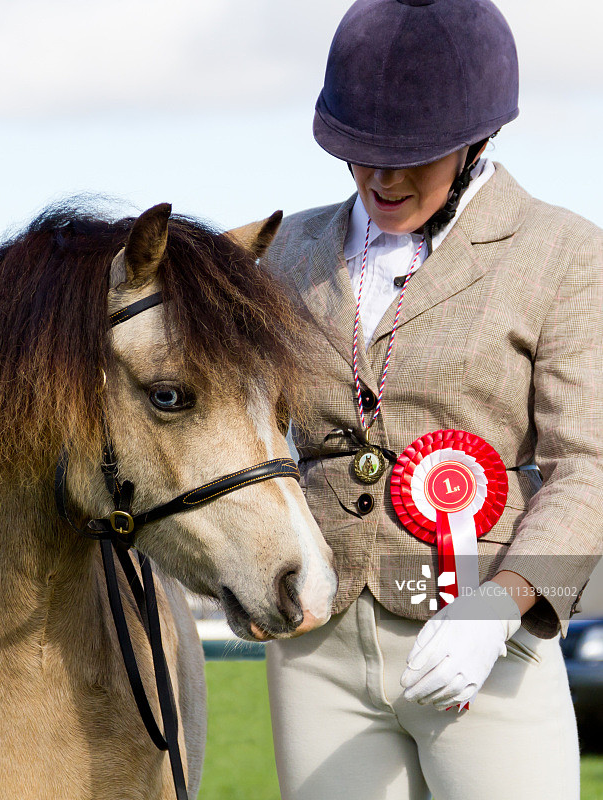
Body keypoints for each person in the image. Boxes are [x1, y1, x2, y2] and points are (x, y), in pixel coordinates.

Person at [261, 1, 603, 798]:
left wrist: (504, 605)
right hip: (318, 643)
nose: (381, 178)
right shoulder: (282, 255)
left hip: (485, 638)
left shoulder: (562, 255)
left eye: (412, 156)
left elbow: (589, 468)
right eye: (360, 154)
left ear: (477, 140)